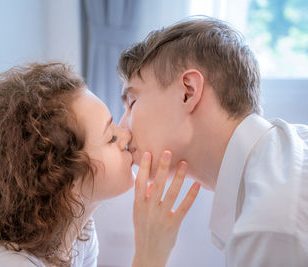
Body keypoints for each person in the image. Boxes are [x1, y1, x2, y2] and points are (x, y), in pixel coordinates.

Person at [0, 62, 200, 267]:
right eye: (110, 137)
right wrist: (150, 253)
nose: (126, 135)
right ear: (64, 177)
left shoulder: (78, 234)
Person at [118, 16, 308, 266]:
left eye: (132, 102)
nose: (122, 129)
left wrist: (148, 256)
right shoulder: (284, 156)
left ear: (188, 91)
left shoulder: (270, 226)